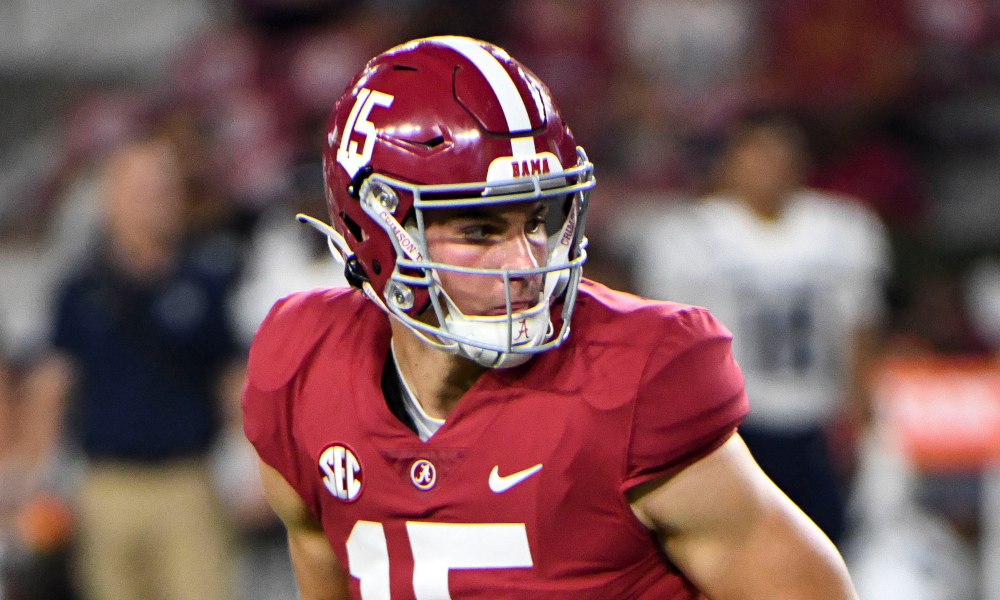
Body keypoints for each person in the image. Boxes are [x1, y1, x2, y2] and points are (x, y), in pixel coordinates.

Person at [241, 36, 859, 599]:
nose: (527, 263)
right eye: (480, 230)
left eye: (538, 220)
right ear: (377, 229)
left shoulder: (634, 377)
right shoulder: (302, 368)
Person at [617, 109, 892, 546]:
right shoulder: (686, 235)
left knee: (827, 546)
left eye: (780, 153)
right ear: (729, 161)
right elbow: (666, 342)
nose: (769, 165)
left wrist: (860, 413)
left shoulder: (844, 228)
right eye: (757, 153)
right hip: (729, 422)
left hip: (815, 416)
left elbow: (859, 329)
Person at [27, 133, 240, 600]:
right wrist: (39, 473)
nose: (154, 201)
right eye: (141, 188)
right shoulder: (79, 289)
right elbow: (53, 384)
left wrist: (250, 464)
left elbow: (230, 378)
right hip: (107, 486)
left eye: (164, 188)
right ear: (111, 198)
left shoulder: (205, 280)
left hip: (188, 481)